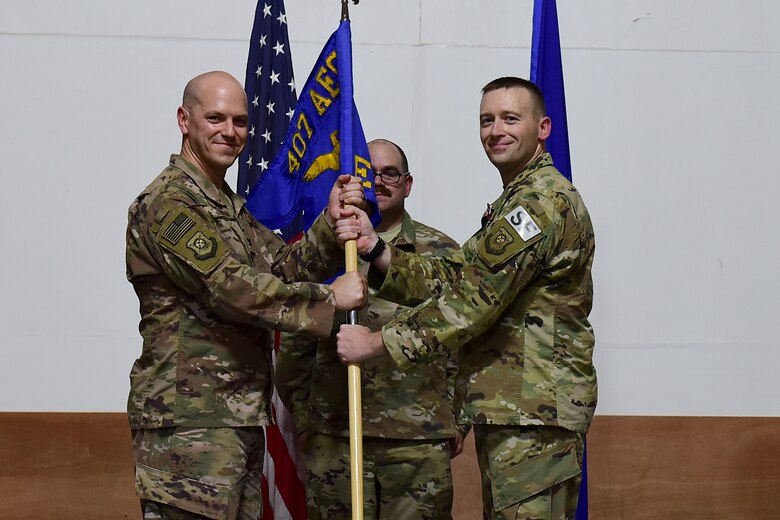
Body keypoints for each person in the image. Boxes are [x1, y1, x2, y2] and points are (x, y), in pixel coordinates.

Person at [334, 77, 597, 519]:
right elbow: (454, 276)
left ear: (543, 127)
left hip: (533, 415)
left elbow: (471, 303)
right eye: (487, 120)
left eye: (511, 118)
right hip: (517, 411)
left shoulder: (539, 203)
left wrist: (375, 344)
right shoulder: (516, 200)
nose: (496, 130)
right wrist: (375, 250)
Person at [125, 70, 368, 520]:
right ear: (184, 119)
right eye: (215, 118)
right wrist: (328, 301)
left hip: (235, 419)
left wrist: (329, 227)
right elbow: (230, 287)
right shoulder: (168, 204)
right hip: (190, 427)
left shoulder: (227, 206)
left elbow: (279, 268)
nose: (230, 132)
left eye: (239, 121)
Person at [275, 138, 462, 519]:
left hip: (418, 443)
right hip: (337, 439)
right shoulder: (330, 246)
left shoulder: (440, 251)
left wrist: (458, 420)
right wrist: (308, 420)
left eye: (389, 173)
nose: (378, 181)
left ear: (407, 184)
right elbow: (296, 337)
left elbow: (461, 336)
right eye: (368, 172)